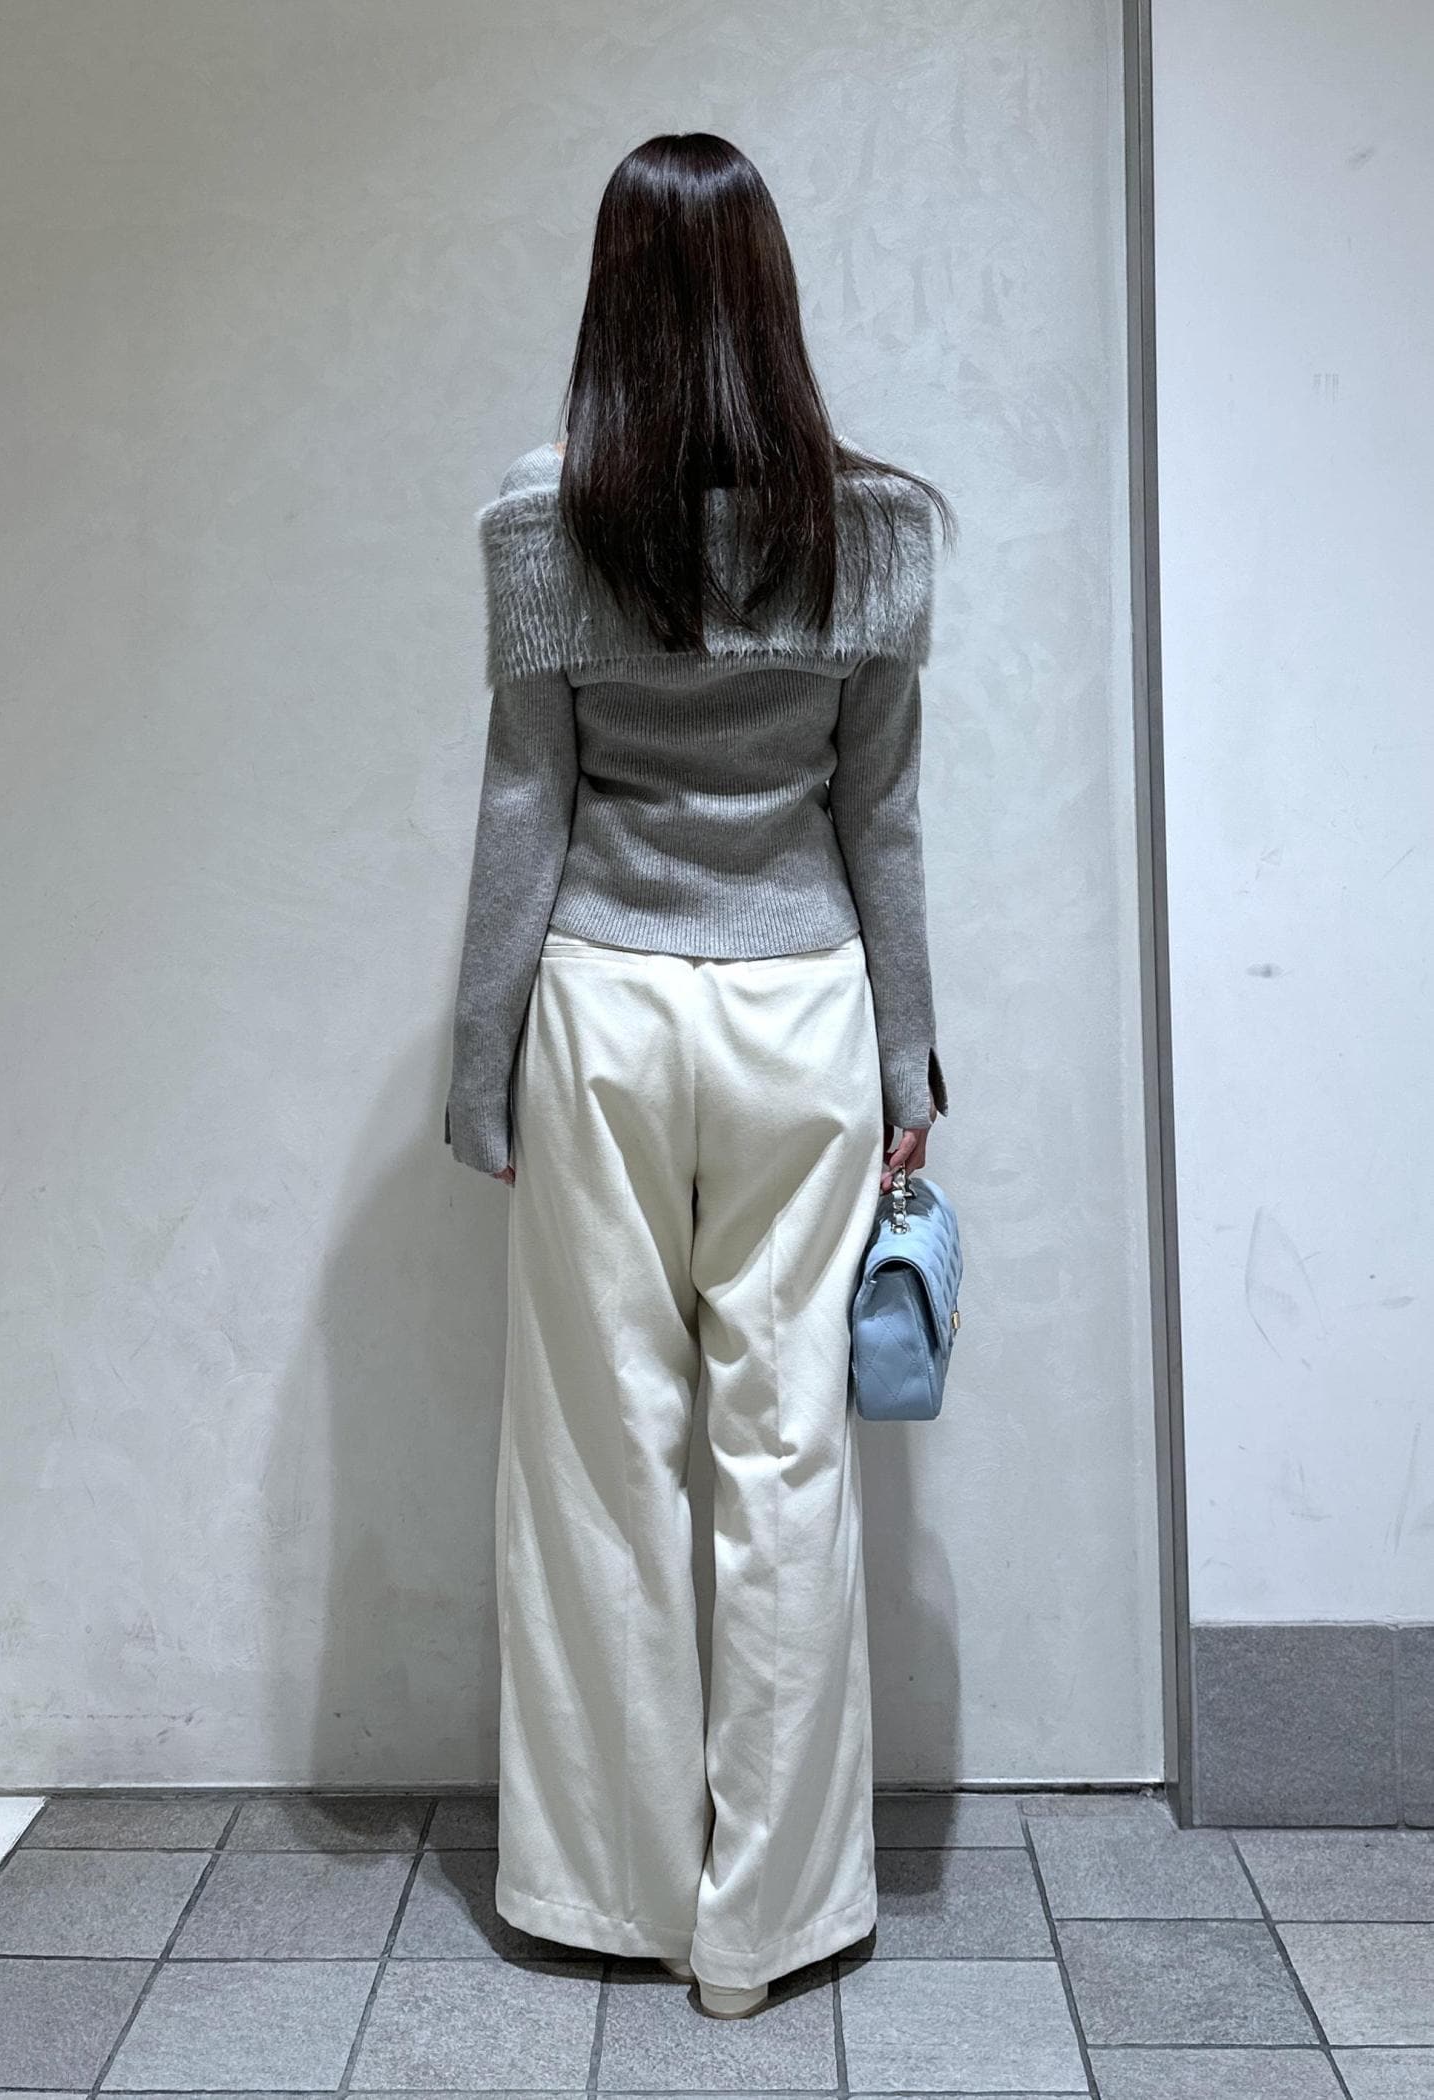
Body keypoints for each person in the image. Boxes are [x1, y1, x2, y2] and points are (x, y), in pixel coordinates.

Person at [443, 131, 953, 2020]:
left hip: (605, 1004)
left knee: (599, 1455)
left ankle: (612, 1895)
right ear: (771, 294)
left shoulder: (543, 515)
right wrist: (909, 1053)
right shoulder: (873, 525)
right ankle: (774, 1921)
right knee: (790, 1452)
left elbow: (528, 797)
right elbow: (881, 813)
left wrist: (480, 1063)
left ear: (615, 303)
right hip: (805, 1007)